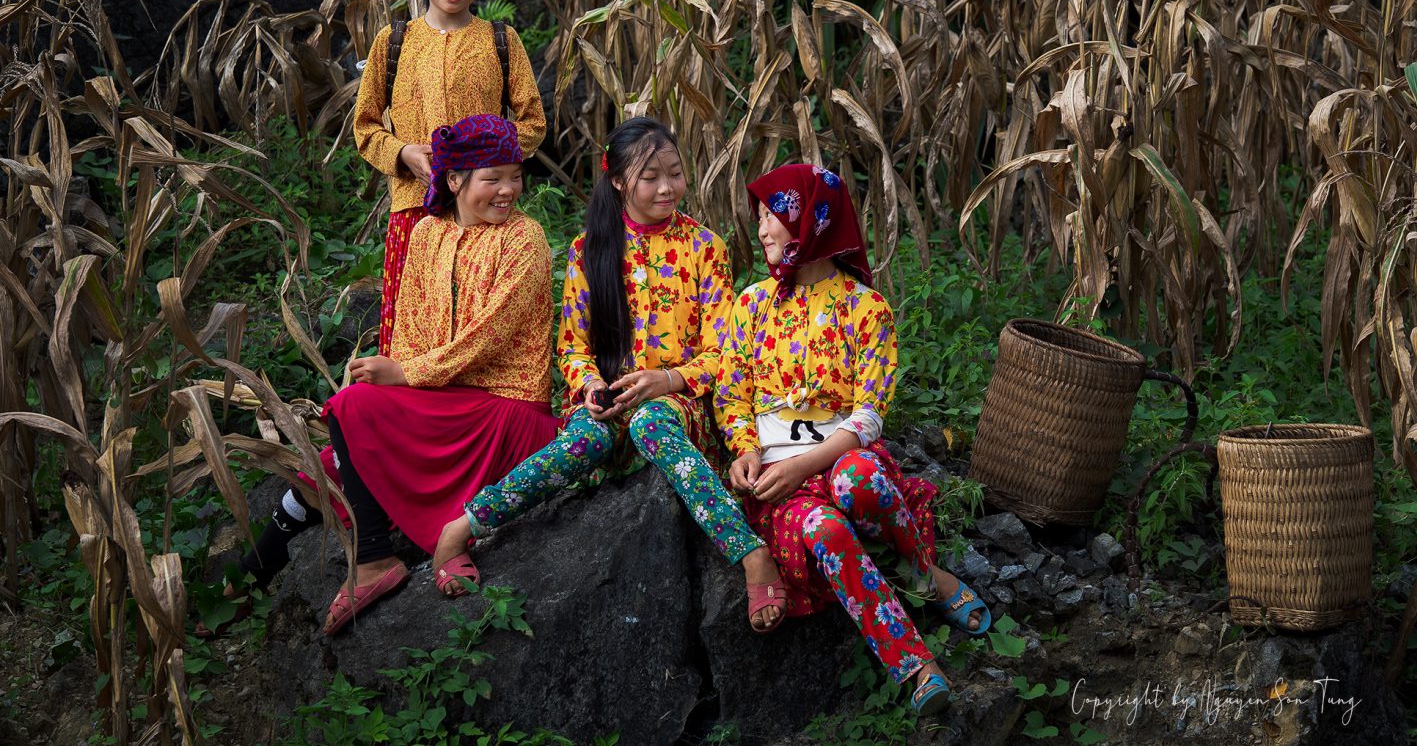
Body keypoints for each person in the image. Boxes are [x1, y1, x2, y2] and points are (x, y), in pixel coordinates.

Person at [429, 117, 787, 631]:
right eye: (650, 177)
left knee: (652, 422)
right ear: (618, 181)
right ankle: (461, 529)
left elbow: (723, 354)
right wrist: (592, 386)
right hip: (609, 402)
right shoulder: (589, 249)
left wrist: (667, 381)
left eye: (675, 173)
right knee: (585, 439)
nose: (667, 188)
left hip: (678, 407)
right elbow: (572, 347)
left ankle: (752, 554)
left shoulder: (705, 247)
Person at [212, 115, 560, 636]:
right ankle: (247, 582)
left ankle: (373, 557)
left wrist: (406, 372)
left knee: (351, 407)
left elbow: (489, 337)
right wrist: (396, 375)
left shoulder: (524, 238)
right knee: (332, 461)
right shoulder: (426, 233)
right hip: (444, 401)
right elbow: (412, 330)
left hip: (504, 410)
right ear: (454, 180)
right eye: (493, 178)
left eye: (515, 176)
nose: (508, 190)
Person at [715, 163, 992, 716]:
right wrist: (746, 451)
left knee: (860, 480)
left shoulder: (866, 308)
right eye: (760, 217)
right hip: (779, 480)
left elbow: (868, 414)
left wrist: (806, 464)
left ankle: (923, 570)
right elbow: (731, 395)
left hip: (840, 455)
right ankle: (917, 666)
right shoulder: (751, 305)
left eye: (773, 216)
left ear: (811, 223)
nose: (762, 230)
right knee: (827, 531)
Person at [352, 0, 546, 356]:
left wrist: (482, 160)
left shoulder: (500, 40)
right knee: (411, 335)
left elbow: (533, 122)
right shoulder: (394, 41)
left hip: (483, 215)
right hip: (412, 210)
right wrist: (403, 153)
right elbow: (365, 126)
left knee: (473, 330)